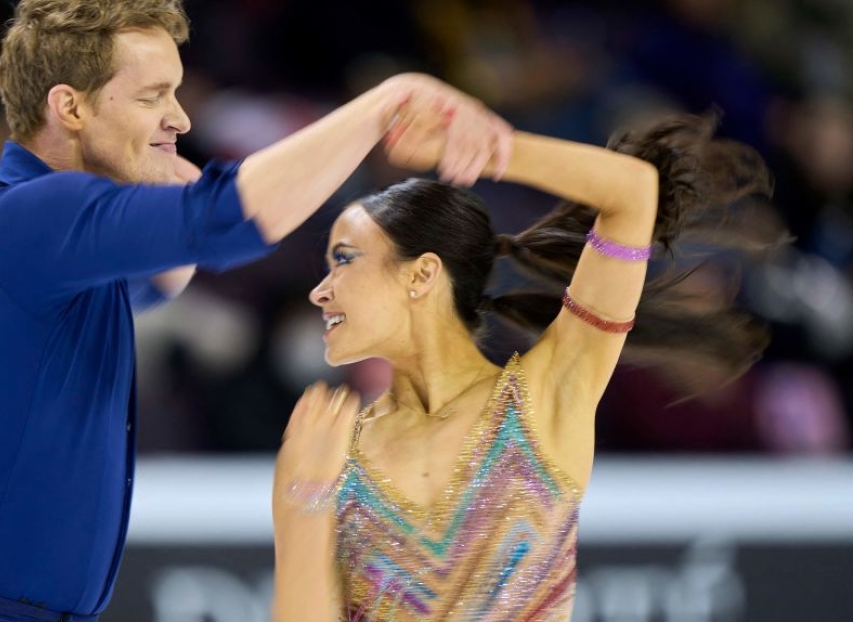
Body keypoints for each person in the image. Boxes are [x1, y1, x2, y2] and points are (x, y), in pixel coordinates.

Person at [0, 0, 519, 620]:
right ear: (69, 106)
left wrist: (156, 165)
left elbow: (167, 272)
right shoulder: (30, 218)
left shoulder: (52, 237)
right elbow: (226, 221)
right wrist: (386, 103)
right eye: (152, 96)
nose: (181, 118)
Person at [271, 110, 779, 620]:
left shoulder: (548, 393)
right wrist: (303, 500)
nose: (320, 291)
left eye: (343, 260)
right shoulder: (334, 454)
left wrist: (482, 148)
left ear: (421, 274)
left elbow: (632, 191)